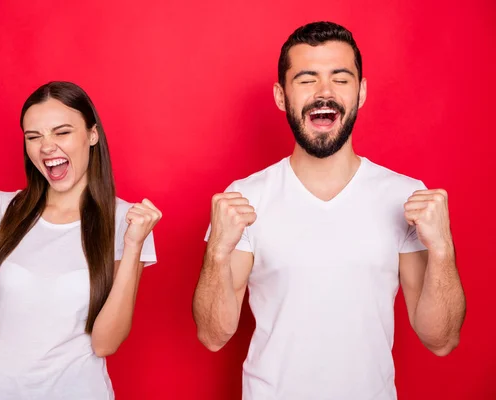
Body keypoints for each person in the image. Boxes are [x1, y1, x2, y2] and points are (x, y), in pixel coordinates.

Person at [192, 21, 466, 400]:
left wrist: (443, 250)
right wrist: (216, 252)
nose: (324, 92)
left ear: (361, 90)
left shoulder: (404, 197)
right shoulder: (245, 198)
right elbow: (212, 335)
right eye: (306, 80)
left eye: (340, 78)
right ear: (280, 95)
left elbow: (441, 339)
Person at [0, 81, 162, 399]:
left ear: (92, 135)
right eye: (34, 137)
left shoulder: (128, 221)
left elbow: (105, 343)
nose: (46, 147)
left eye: (62, 132)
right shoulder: (1, 209)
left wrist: (134, 244)